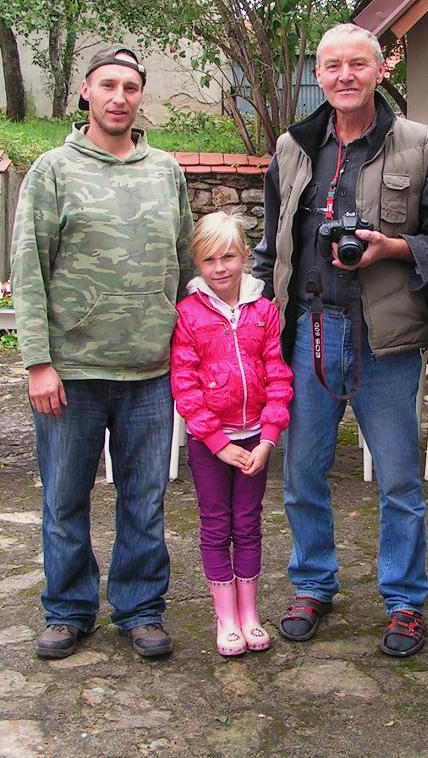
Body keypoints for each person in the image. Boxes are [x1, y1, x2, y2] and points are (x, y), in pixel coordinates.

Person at [252, 23, 428, 658]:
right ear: (318, 73)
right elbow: (272, 245)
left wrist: (390, 247)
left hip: (384, 338)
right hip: (307, 334)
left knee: (398, 481)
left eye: (358, 64)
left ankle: (404, 601)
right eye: (333, 65)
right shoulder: (292, 147)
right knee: (301, 474)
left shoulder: (420, 145)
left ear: (379, 70)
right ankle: (313, 584)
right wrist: (250, 315)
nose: (345, 75)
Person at [11, 45, 194, 661]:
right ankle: (68, 610)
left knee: (144, 499)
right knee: (65, 498)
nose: (119, 97)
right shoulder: (53, 171)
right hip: (71, 371)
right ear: (86, 91)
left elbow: (182, 264)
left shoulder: (165, 171)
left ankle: (140, 609)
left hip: (150, 371)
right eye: (108, 85)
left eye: (130, 87)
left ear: (141, 96)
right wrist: (38, 362)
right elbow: (29, 270)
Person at [170, 211, 293, 656]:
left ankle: (249, 613)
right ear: (197, 263)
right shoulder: (187, 314)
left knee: (248, 523)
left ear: (244, 255)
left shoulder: (265, 312)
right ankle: (225, 617)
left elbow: (278, 374)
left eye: (228, 257)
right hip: (211, 445)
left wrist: (269, 437)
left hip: (255, 440)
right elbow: (185, 385)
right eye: (209, 260)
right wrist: (217, 443)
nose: (220, 268)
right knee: (216, 523)